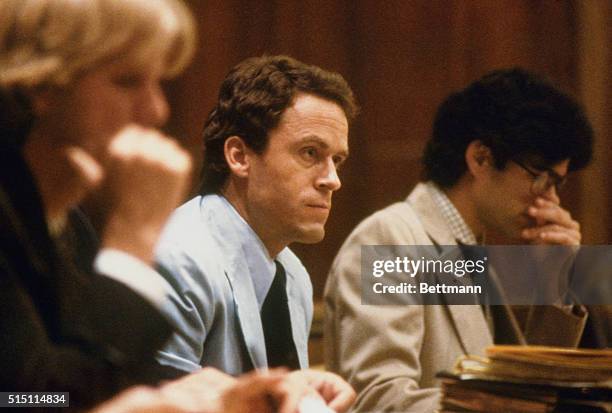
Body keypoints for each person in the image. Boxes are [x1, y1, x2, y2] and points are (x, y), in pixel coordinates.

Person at [1, 2, 323, 412]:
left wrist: (217, 397)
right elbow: (30, 400)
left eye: (157, 83)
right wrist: (134, 236)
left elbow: (69, 379)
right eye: (127, 81)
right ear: (39, 85)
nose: (156, 110)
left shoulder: (64, 218)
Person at [324, 68, 594, 412]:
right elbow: (377, 400)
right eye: (541, 178)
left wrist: (551, 283)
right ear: (480, 157)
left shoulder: (470, 249)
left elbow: (530, 391)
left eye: (559, 183)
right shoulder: (390, 238)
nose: (552, 200)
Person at [154, 55, 358, 412]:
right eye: (311, 153)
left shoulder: (293, 274)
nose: (333, 180)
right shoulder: (179, 259)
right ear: (239, 156)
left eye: (337, 160)